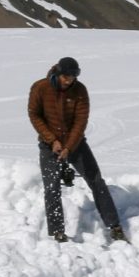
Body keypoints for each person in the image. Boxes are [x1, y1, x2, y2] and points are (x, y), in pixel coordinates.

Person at [28, 57, 126, 243]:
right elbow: (34, 114)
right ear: (58, 73)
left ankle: (114, 226)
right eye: (66, 76)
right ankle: (58, 232)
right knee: (52, 188)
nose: (69, 80)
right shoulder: (40, 88)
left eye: (73, 76)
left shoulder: (80, 90)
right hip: (49, 146)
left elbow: (80, 122)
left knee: (96, 181)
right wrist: (52, 140)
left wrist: (68, 147)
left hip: (76, 144)